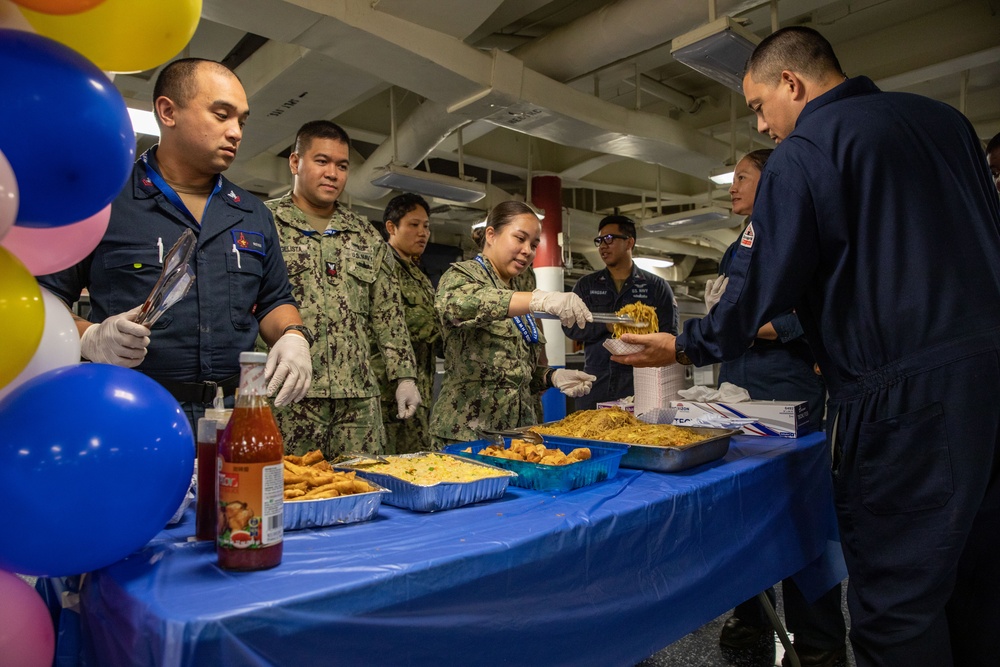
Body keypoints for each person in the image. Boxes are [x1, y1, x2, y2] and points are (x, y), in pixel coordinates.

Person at [611, 27, 1000, 667]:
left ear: (792, 84)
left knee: (897, 606)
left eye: (760, 106)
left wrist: (686, 344)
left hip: (904, 401)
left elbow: (756, 285)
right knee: (975, 587)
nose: (763, 126)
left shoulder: (809, 147)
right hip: (990, 382)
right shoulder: (948, 124)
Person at [39, 58, 312, 427]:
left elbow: (274, 299)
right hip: (131, 411)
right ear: (168, 112)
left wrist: (293, 336)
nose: (236, 132)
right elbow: (43, 300)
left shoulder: (251, 213)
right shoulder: (104, 203)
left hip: (233, 414)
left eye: (242, 121)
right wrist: (91, 337)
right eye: (222, 115)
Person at [710, 149, 845, 667]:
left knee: (799, 515)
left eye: (742, 176)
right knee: (749, 515)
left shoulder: (797, 237)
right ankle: (754, 617)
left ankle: (820, 641)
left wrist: (754, 325)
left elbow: (811, 314)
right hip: (737, 397)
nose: (732, 186)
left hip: (787, 398)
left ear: (774, 180)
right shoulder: (737, 248)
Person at [265, 120, 419, 458]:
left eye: (342, 165)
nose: (332, 173)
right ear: (295, 162)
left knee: (364, 488)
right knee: (289, 493)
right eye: (322, 161)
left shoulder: (364, 234)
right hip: (288, 394)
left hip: (358, 400)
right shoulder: (263, 224)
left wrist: (405, 376)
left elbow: (388, 313)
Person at [430, 201, 597, 445]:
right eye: (520, 238)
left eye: (534, 244)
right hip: (469, 436)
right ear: (491, 235)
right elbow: (459, 304)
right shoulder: (462, 276)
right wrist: (538, 299)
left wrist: (552, 377)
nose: (527, 250)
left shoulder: (520, 286)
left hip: (519, 433)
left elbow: (515, 372)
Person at [561, 215, 678, 409]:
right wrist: (608, 325)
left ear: (629, 242)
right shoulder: (586, 286)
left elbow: (670, 336)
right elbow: (570, 327)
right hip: (597, 380)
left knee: (639, 434)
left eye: (609, 239)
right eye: (599, 241)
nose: (602, 246)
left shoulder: (656, 286)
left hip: (640, 378)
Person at [370, 193, 441, 454]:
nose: (423, 233)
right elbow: (408, 322)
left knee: (415, 461)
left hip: (419, 388)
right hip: (387, 392)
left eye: (426, 226)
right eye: (414, 225)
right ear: (391, 227)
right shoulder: (380, 268)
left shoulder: (419, 276)